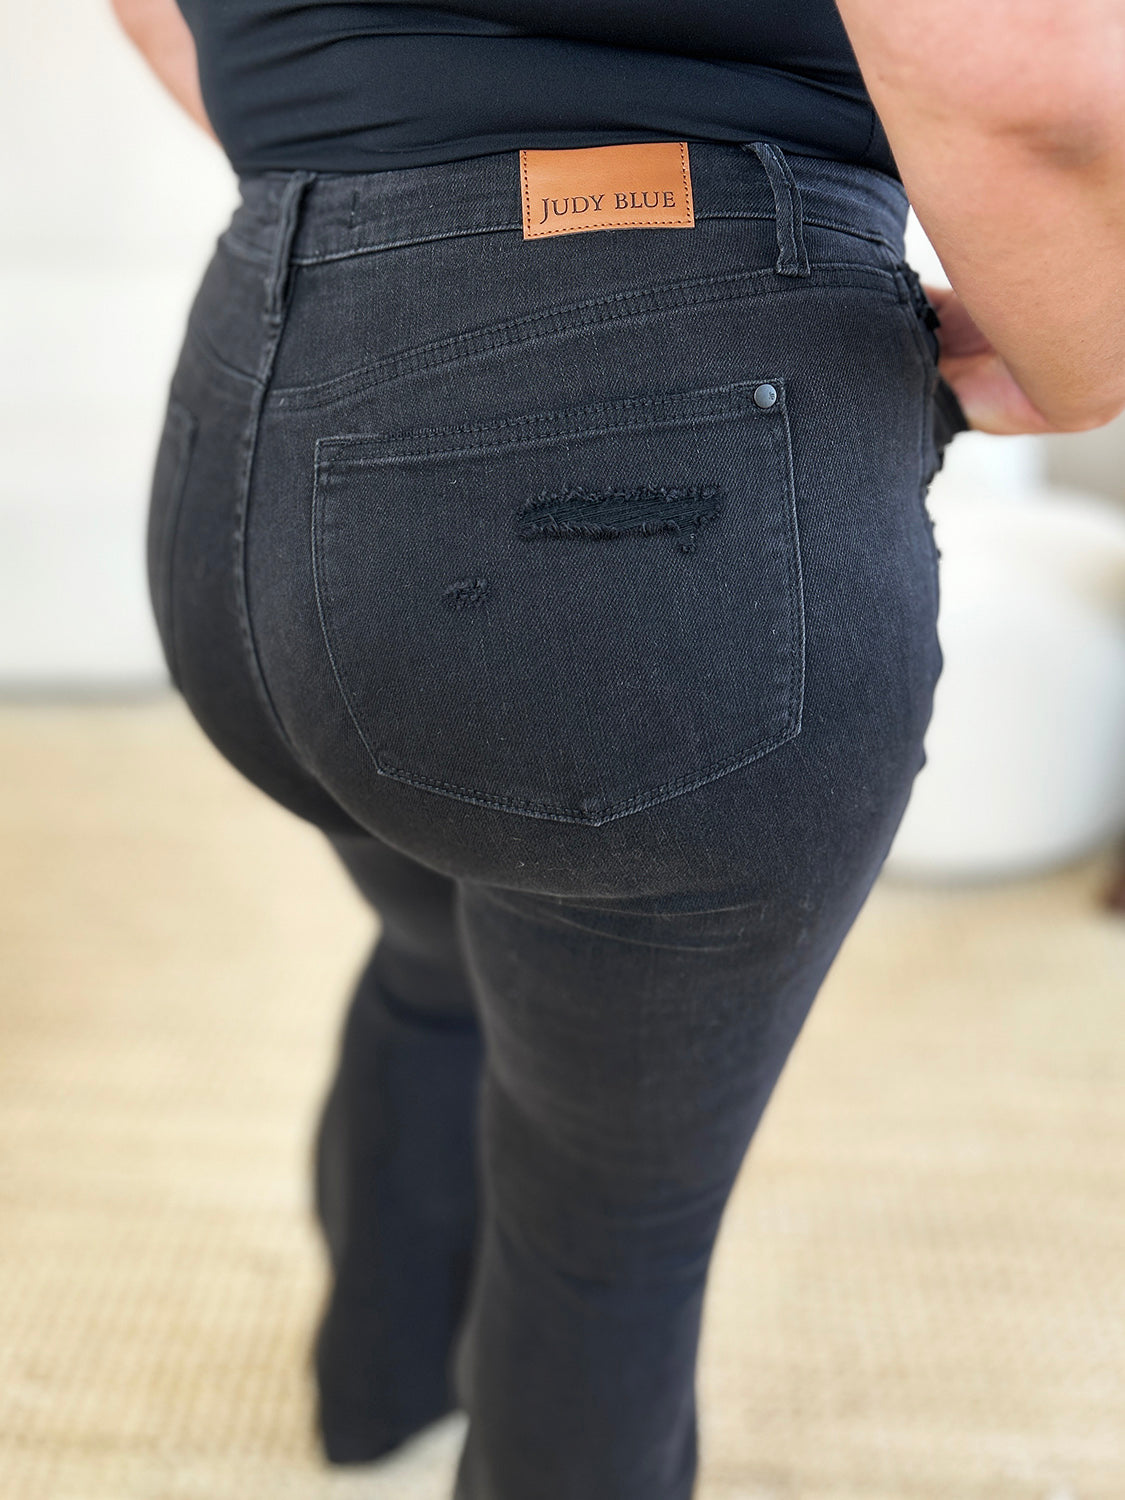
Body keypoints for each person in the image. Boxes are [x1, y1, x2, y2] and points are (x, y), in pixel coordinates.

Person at [109, 3, 1125, 1497]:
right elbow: (1021, 80)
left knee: (426, 950)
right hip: (648, 452)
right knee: (608, 1225)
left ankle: (373, 1396)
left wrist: (386, 203)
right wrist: (1083, 367)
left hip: (248, 429)